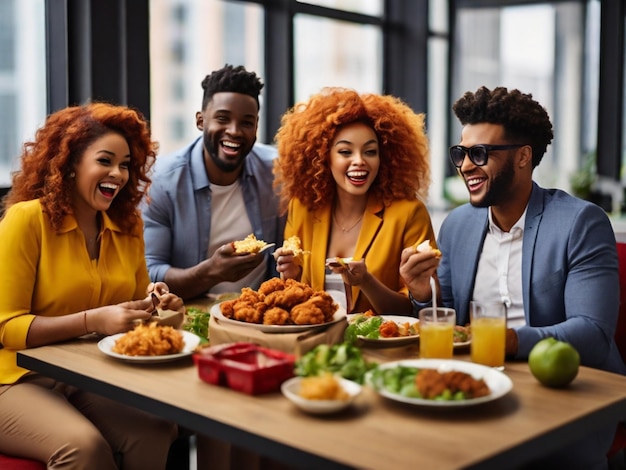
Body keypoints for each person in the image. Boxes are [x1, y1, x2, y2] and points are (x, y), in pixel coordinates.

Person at [400, 85, 626, 469]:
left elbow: (592, 334)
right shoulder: (457, 225)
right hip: (480, 385)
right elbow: (449, 319)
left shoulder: (579, 223)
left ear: (523, 157)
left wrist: (505, 340)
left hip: (565, 395)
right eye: (461, 153)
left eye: (480, 154)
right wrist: (424, 294)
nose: (466, 165)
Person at [0, 102, 183, 468]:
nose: (117, 173)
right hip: (13, 379)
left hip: (85, 375)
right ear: (69, 166)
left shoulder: (127, 226)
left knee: (156, 428)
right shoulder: (26, 220)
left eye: (126, 165)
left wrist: (156, 303)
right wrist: (92, 321)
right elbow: (6, 326)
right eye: (105, 161)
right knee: (83, 447)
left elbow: (135, 300)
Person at [273, 87, 436, 315]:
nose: (359, 161)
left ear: (384, 157)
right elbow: (296, 304)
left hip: (381, 347)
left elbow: (417, 309)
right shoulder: (302, 208)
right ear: (323, 157)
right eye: (345, 152)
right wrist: (290, 276)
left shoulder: (409, 214)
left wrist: (366, 281)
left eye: (370, 152)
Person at [141, 64, 284, 301]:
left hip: (261, 313)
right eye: (222, 119)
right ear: (200, 121)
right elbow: (150, 274)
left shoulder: (276, 172)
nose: (234, 131)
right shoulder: (162, 182)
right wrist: (210, 272)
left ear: (256, 127)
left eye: (246, 123)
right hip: (189, 316)